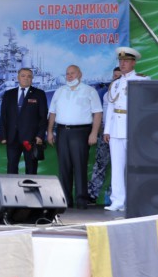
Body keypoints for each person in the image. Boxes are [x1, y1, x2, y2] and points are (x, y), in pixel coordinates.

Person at [47, 65, 102, 208]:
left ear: (80, 74)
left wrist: (94, 133)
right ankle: (66, 200)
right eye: (67, 74)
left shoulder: (90, 91)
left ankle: (81, 201)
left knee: (80, 166)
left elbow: (98, 113)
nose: (69, 76)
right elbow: (52, 113)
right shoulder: (59, 91)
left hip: (81, 132)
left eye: (72, 73)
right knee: (64, 167)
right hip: (62, 131)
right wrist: (50, 131)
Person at [103, 47, 150, 212]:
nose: (122, 64)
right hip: (116, 129)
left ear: (133, 63)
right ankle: (117, 201)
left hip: (133, 129)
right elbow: (110, 107)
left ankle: (135, 200)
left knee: (134, 167)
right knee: (117, 168)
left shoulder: (142, 80)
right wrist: (107, 130)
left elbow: (146, 107)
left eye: (126, 61)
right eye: (121, 61)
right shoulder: (115, 83)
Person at [0, 68, 48, 174]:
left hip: (31, 139)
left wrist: (40, 135)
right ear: (18, 77)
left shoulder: (39, 94)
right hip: (12, 138)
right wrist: (3, 136)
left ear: (32, 79)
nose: (26, 78)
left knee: (31, 168)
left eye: (29, 76)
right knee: (11, 168)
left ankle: (30, 185)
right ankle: (12, 186)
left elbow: (43, 117)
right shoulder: (8, 94)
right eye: (23, 76)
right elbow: (3, 116)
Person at [89, 67, 121, 203]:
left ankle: (116, 195)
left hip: (121, 134)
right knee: (100, 164)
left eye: (119, 76)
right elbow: (98, 112)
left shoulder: (128, 92)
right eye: (115, 76)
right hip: (105, 133)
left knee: (121, 166)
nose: (116, 78)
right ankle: (92, 195)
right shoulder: (105, 92)